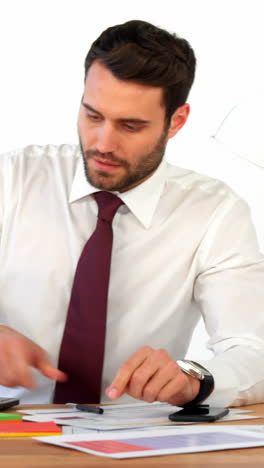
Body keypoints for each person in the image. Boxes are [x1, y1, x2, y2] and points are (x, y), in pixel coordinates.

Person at [0, 19, 264, 407]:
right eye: (93, 116)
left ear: (176, 121)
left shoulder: (215, 213)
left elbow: (253, 350)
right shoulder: (13, 180)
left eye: (131, 125)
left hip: (135, 442)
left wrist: (195, 380)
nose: (103, 143)